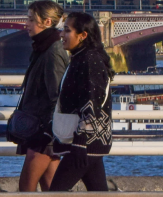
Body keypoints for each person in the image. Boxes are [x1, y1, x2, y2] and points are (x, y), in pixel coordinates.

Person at [49, 11, 114, 192]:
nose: (61, 34)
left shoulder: (89, 60)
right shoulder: (82, 57)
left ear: (83, 35)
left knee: (56, 193)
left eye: (67, 31)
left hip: (84, 142)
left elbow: (92, 102)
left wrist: (80, 142)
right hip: (91, 142)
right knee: (99, 191)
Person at [11, 0, 69, 191]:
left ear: (46, 22)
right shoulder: (44, 47)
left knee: (27, 186)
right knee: (51, 185)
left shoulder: (52, 51)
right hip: (45, 128)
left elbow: (57, 95)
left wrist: (48, 131)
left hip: (44, 132)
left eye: (30, 20)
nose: (26, 24)